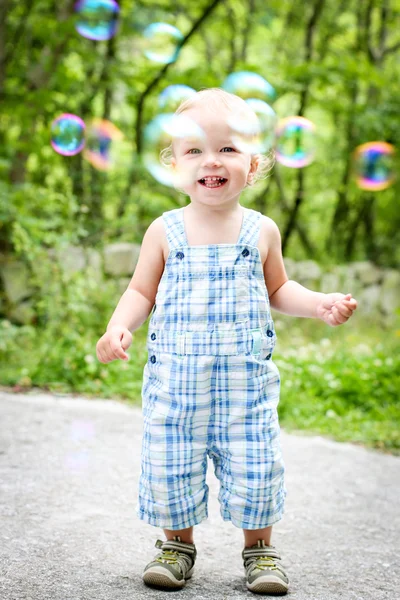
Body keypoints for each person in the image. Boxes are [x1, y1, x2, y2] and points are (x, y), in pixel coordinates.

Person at [96, 88, 358, 595]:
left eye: (228, 149)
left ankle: (259, 549)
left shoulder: (261, 231)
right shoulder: (164, 231)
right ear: (175, 164)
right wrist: (118, 324)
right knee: (172, 465)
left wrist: (319, 302)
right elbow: (139, 290)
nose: (211, 160)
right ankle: (176, 545)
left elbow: (279, 289)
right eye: (194, 150)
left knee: (257, 467)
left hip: (246, 387)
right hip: (177, 385)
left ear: (253, 164)